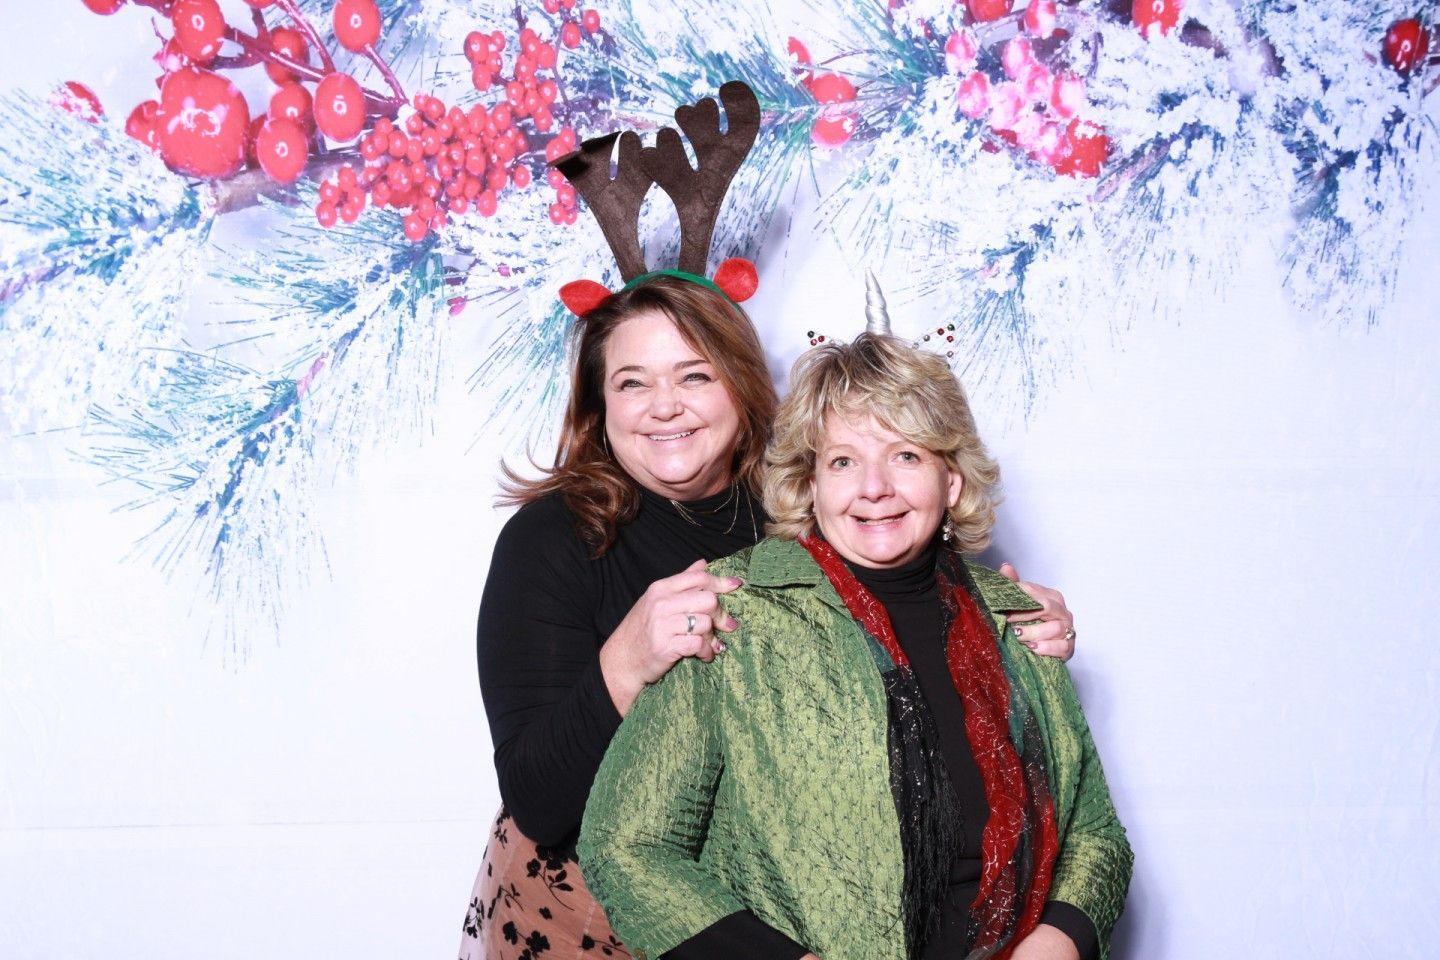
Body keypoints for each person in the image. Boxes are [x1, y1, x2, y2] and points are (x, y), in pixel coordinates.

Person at [458, 280, 1081, 959]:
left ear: (740, 383)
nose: (665, 406)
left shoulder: (812, 509)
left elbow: (918, 625)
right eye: (633, 384)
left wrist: (1013, 626)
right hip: (589, 912)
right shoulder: (552, 540)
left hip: (773, 915)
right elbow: (539, 805)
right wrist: (628, 660)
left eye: (694, 375)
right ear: (598, 405)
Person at [577, 332, 1131, 960]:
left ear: (950, 480)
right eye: (842, 461)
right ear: (809, 483)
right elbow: (626, 846)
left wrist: (1054, 945)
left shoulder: (1018, 622)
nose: (874, 488)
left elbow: (1096, 836)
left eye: (904, 456)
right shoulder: (738, 616)